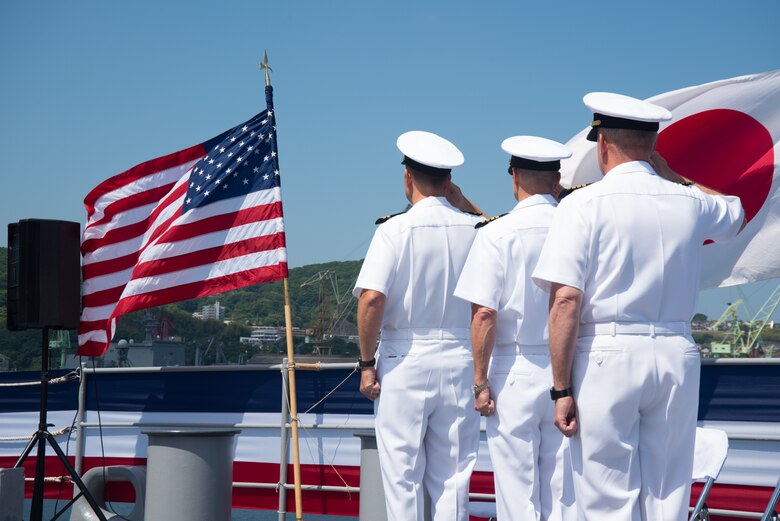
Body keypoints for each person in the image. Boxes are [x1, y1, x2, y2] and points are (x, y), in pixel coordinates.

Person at [532, 92, 746, 521]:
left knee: (606, 496)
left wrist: (560, 389)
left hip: (607, 355)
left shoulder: (581, 204)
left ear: (602, 144)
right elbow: (735, 214)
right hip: (676, 353)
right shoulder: (689, 201)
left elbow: (566, 300)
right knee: (668, 493)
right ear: (652, 148)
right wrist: (676, 178)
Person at [354, 130, 483, 521]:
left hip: (404, 358)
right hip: (461, 359)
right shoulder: (477, 229)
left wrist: (366, 364)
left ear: (407, 177)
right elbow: (493, 228)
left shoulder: (393, 229)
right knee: (454, 479)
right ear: (449, 181)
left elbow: (371, 299)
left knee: (403, 478)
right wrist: (464, 204)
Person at [454, 136, 577, 521]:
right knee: (562, 491)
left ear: (515, 176)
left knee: (516, 493)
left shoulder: (496, 233)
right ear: (557, 180)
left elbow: (484, 314)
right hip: (570, 368)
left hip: (514, 369)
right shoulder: (579, 227)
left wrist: (479, 382)